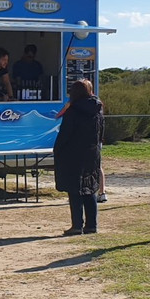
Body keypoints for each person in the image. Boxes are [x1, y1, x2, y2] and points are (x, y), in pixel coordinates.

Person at [52, 79, 104, 235]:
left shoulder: (73, 111)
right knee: (90, 188)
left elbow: (65, 134)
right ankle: (91, 225)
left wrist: (57, 150)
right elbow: (101, 133)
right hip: (92, 153)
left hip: (73, 153)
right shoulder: (98, 109)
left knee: (75, 189)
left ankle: (77, 225)